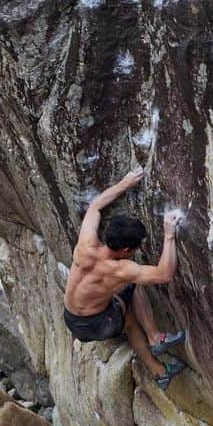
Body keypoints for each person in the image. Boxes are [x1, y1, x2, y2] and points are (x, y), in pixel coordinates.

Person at [63, 166, 187, 389]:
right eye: (135, 249)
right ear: (125, 250)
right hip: (96, 324)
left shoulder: (85, 244)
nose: (136, 253)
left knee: (126, 308)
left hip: (71, 317)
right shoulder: (120, 270)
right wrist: (169, 235)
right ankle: (155, 341)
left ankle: (160, 369)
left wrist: (126, 182)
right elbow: (164, 274)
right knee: (131, 302)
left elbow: (95, 207)